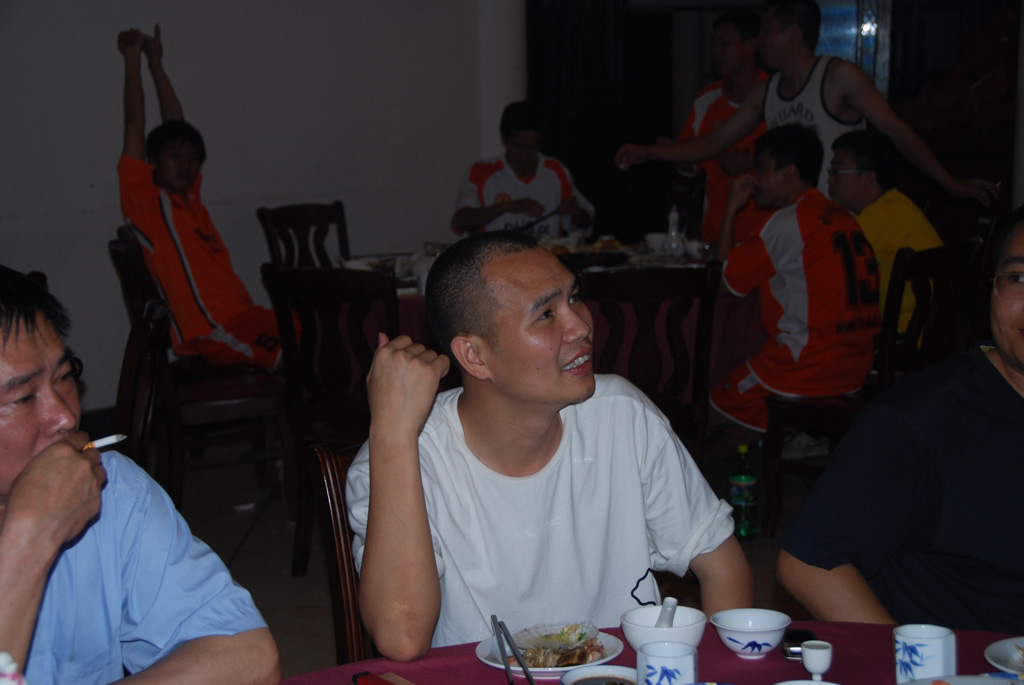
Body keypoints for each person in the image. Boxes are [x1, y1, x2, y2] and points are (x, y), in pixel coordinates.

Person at [346, 231, 753, 660]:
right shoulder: (403, 456)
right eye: (545, 314)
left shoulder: (621, 416)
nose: (581, 326)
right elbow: (401, 638)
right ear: (475, 356)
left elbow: (723, 566)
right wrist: (391, 432)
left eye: (574, 297)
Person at [0, 265, 279, 684]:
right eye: (23, 397)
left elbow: (248, 657)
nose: (65, 416)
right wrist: (29, 539)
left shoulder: (107, 489)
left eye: (64, 377)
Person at [775, 209, 1024, 633]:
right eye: (1018, 278)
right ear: (992, 287)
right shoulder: (922, 420)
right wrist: (916, 663)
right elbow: (809, 560)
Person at [615, 0, 997, 204]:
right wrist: (649, 152)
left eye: (766, 31)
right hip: (794, 224)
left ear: (792, 35)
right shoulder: (766, 92)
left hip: (841, 220)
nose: (759, 42)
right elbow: (714, 142)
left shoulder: (839, 77)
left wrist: (951, 183)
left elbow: (896, 130)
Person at [117, 26, 282, 371]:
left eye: (192, 157)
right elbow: (134, 123)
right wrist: (133, 60)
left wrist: (157, 64)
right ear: (154, 161)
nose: (186, 164)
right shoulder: (147, 203)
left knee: (324, 327)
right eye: (175, 155)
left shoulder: (190, 200)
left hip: (249, 317)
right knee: (296, 359)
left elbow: (176, 125)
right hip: (212, 331)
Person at [709, 124, 880, 436]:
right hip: (855, 368)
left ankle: (792, 440)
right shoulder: (846, 219)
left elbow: (719, 283)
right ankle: (796, 441)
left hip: (806, 369)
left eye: (762, 169)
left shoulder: (789, 220)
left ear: (787, 173)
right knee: (736, 430)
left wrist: (730, 209)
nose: (755, 178)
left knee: (701, 417)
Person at [675, 9, 774, 246]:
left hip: (769, 237)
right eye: (714, 44)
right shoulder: (707, 100)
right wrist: (670, 152)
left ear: (751, 46)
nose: (716, 52)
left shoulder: (776, 93)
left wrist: (752, 162)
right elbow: (688, 169)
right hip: (718, 235)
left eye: (725, 44)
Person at [828, 130, 943, 334]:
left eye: (836, 171)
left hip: (900, 337)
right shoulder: (897, 205)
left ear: (868, 178)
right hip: (927, 335)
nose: (830, 180)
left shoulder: (878, 217)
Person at [451, 101, 595, 238]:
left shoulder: (555, 170)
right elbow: (460, 221)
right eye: (518, 146)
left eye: (532, 147)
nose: (525, 155)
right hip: (497, 255)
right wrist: (507, 206)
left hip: (545, 254)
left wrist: (576, 212)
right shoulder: (481, 172)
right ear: (504, 140)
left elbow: (585, 222)